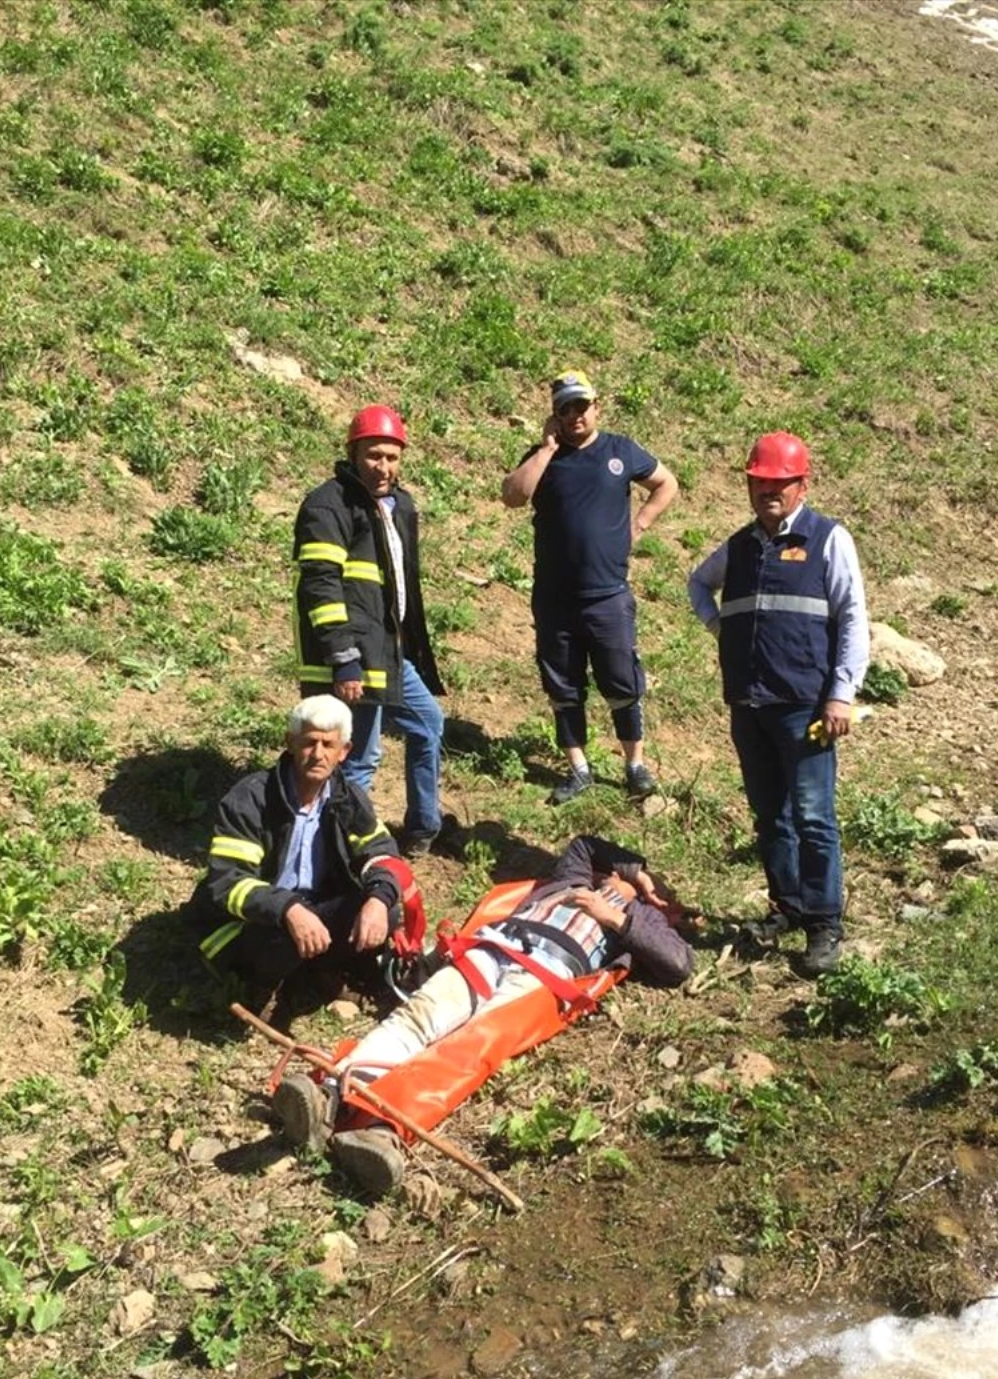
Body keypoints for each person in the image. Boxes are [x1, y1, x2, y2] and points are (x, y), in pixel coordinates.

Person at [273, 834, 693, 1197]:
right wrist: (634, 870)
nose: (615, 880)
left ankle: (383, 1131)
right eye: (614, 873)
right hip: (497, 948)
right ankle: (329, 1091)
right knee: (421, 1014)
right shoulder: (574, 879)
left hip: (546, 977)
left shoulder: (644, 922)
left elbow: (678, 964)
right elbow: (586, 844)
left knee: (468, 1046)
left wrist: (620, 915)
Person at [687, 431, 869, 978]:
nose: (768, 490)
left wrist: (841, 693)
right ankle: (786, 906)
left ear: (801, 485)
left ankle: (823, 923)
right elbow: (698, 584)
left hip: (806, 705)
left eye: (779, 482)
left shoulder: (828, 539)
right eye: (760, 481)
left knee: (814, 816)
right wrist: (722, 629)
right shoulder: (740, 546)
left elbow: (854, 618)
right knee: (771, 815)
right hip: (750, 704)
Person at [500, 370, 679, 804]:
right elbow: (512, 495)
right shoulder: (545, 456)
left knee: (622, 681)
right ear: (554, 415)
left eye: (582, 405)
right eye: (565, 408)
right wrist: (545, 449)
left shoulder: (620, 449)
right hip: (556, 599)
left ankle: (634, 766)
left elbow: (666, 483)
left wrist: (641, 523)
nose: (575, 415)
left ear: (597, 406)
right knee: (563, 686)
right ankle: (579, 769)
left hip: (608, 595)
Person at [189, 696, 410, 1019]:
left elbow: (383, 855)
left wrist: (378, 899)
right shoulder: (251, 798)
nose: (318, 754)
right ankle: (261, 985)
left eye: (328, 744)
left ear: (344, 752)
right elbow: (227, 882)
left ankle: (321, 971)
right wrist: (287, 908)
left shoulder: (348, 799)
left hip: (315, 909)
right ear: (290, 743)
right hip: (249, 923)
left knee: (384, 911)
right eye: (309, 742)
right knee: (287, 934)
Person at [293, 405, 445, 857]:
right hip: (357, 659)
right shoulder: (328, 505)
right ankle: (341, 848)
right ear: (352, 453)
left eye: (393, 457)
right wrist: (344, 659)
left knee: (428, 726)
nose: (384, 467)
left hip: (391, 652)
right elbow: (321, 587)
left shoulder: (400, 506)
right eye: (374, 456)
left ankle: (423, 828)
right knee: (359, 757)